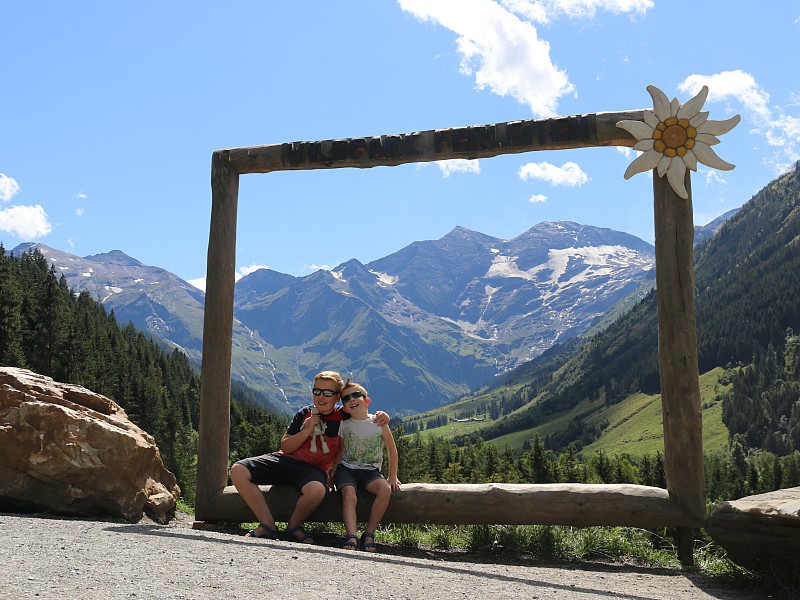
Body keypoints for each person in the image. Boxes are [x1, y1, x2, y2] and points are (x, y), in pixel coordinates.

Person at [229, 370, 389, 544]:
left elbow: (361, 411)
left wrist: (382, 416)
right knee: (238, 470)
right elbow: (285, 446)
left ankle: (294, 526)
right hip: (285, 460)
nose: (321, 396)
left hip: (314, 470)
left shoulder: (343, 416)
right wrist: (306, 430)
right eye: (317, 391)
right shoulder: (305, 412)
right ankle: (267, 524)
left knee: (317, 490)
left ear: (337, 398)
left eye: (328, 393)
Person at [333, 379, 400, 552]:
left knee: (385, 490)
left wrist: (392, 476)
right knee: (349, 494)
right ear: (345, 408)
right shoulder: (344, 425)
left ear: (367, 400)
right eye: (346, 399)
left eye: (357, 395)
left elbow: (392, 449)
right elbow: (340, 451)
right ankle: (352, 535)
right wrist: (331, 475)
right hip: (347, 469)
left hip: (371, 471)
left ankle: (369, 533)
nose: (352, 399)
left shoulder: (379, 423)